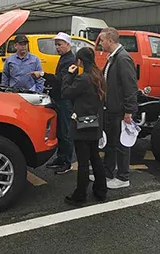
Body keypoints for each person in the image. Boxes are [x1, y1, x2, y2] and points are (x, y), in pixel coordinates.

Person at [61, 47, 107, 206]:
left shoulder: (83, 78)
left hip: (81, 124)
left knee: (83, 162)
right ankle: (101, 190)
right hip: (95, 123)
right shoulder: (98, 76)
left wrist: (69, 74)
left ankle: (80, 195)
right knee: (95, 158)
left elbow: (66, 92)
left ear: (80, 61)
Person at [96, 27, 138, 189]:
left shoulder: (122, 59)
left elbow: (130, 86)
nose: (100, 44)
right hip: (110, 109)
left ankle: (123, 177)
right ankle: (107, 173)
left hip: (120, 111)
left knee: (121, 144)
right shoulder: (112, 58)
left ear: (110, 41)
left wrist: (129, 111)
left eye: (102, 41)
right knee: (111, 143)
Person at [30, 32, 75, 175]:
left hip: (65, 99)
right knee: (60, 130)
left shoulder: (70, 60)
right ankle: (61, 158)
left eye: (60, 45)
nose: (57, 47)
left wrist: (42, 75)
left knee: (65, 131)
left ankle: (66, 162)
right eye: (56, 45)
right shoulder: (64, 58)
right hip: (59, 97)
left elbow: (61, 80)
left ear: (68, 44)